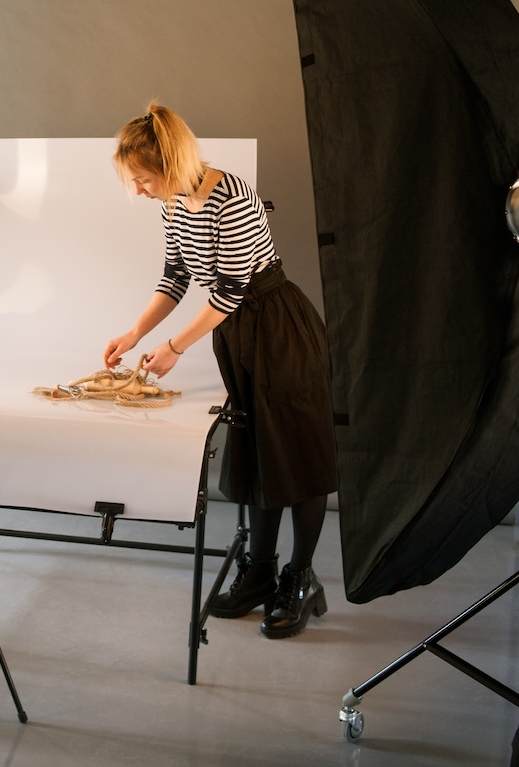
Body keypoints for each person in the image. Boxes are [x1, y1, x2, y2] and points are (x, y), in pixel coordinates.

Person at [102, 99, 338, 640]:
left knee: (298, 454)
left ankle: (300, 579)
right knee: (257, 452)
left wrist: (174, 347)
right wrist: (135, 333)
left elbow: (231, 289)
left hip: (278, 328)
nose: (139, 191)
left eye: (143, 179)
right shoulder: (174, 202)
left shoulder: (231, 197)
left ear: (169, 164)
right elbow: (176, 277)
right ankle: (260, 574)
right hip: (236, 333)